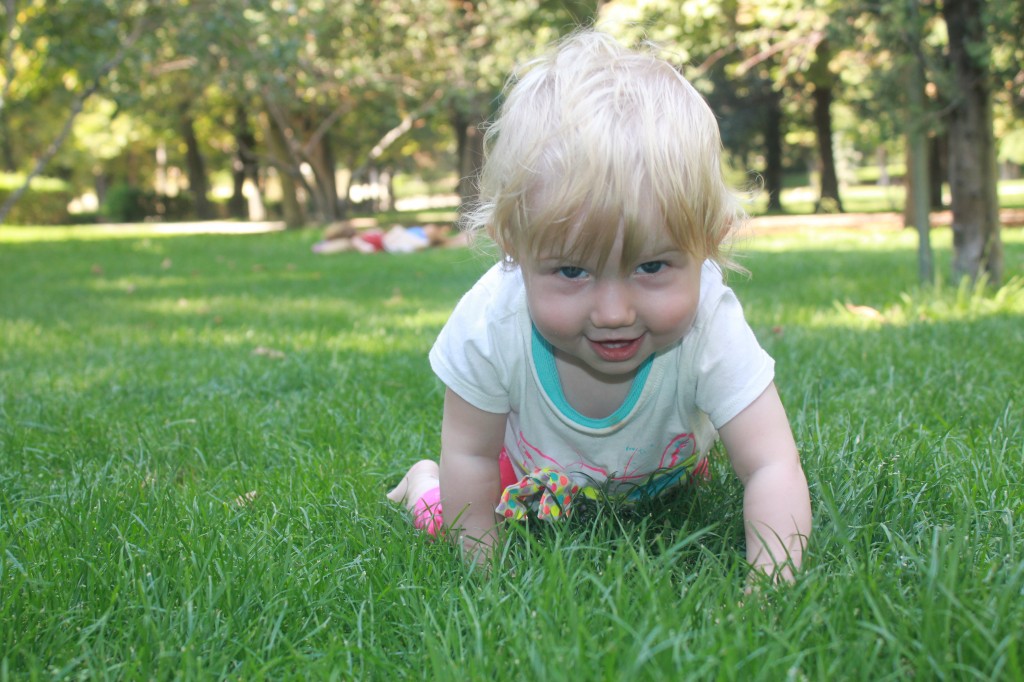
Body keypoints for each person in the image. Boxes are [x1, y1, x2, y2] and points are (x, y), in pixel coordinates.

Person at [387, 29, 811, 581]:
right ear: (513, 245)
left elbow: (772, 464)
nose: (614, 312)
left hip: (665, 474)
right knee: (461, 501)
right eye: (571, 270)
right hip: (532, 476)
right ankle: (422, 484)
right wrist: (486, 579)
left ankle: (675, 471)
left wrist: (770, 593)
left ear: (709, 240)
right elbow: (468, 455)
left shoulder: (710, 318)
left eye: (652, 266)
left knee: (678, 491)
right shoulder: (492, 321)